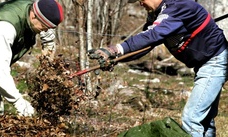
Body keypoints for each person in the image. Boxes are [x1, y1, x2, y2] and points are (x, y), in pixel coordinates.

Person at [87, 0, 228, 136]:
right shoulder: (159, 13)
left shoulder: (179, 6)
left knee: (192, 118)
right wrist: (115, 58)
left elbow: (152, 35)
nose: (140, 3)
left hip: (214, 62)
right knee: (205, 119)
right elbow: (146, 44)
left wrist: (116, 49)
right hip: (205, 63)